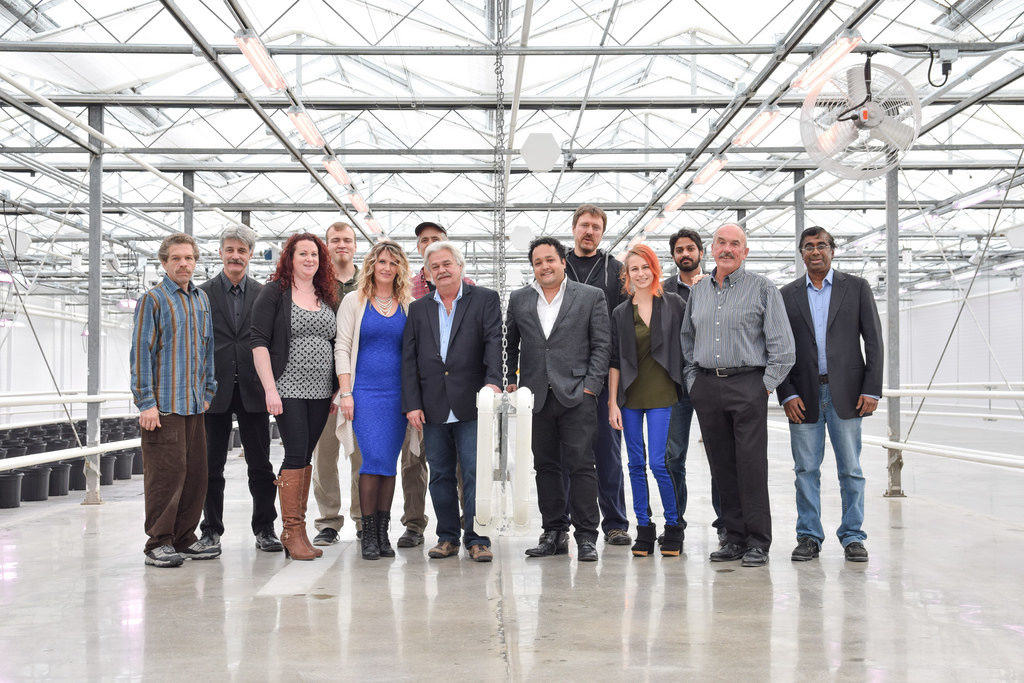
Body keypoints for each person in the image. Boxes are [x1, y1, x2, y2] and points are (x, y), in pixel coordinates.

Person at [681, 223, 795, 568]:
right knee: (721, 466)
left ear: (745, 252)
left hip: (748, 385)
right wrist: (693, 382)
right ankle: (733, 537)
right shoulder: (699, 291)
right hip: (707, 385)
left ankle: (758, 541)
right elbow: (687, 340)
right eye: (721, 243)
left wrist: (763, 387)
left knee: (750, 466)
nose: (727, 249)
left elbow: (783, 347)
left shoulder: (762, 288)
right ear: (712, 249)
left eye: (735, 244)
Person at [777, 226, 882, 563]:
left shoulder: (857, 288)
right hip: (803, 395)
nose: (815, 251)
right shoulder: (787, 295)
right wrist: (786, 393)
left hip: (848, 393)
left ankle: (853, 536)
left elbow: (874, 341)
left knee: (851, 469)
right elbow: (778, 347)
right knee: (805, 470)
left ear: (832, 250)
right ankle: (809, 536)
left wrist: (872, 388)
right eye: (808, 246)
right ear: (801, 254)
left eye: (821, 245)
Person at [506, 237, 610, 563]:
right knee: (545, 466)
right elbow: (509, 344)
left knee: (581, 465)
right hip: (536, 396)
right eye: (538, 262)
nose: (545, 266)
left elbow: (602, 345)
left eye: (550, 260)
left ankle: (587, 536)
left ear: (563, 262)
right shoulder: (520, 299)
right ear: (533, 267)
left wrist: (591, 387)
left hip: (577, 393)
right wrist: (511, 381)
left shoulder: (590, 296)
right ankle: (553, 533)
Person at [402, 241, 502, 562]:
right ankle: (447, 537)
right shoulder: (418, 309)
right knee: (440, 474)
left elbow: (493, 342)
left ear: (460, 266)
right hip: (432, 406)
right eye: (435, 266)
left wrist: (493, 383)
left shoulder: (484, 299)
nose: (442, 270)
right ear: (428, 273)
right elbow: (409, 359)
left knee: (474, 473)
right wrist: (412, 403)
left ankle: (477, 538)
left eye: (447, 264)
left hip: (472, 402)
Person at [130, 232, 217, 568]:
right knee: (166, 475)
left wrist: (208, 392)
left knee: (195, 475)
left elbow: (208, 349)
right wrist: (146, 403)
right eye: (176, 258)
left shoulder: (200, 299)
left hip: (194, 404)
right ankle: (158, 542)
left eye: (189, 258)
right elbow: (141, 353)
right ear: (164, 262)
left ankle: (184, 538)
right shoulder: (152, 300)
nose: (184, 264)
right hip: (164, 406)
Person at [251, 233, 338, 561]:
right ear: (290, 258)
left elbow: (335, 341)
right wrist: (270, 389)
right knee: (296, 453)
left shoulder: (325, 294)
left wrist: (336, 387)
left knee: (305, 457)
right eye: (303, 253)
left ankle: (298, 533)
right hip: (288, 387)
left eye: (314, 254)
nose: (309, 259)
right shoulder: (275, 292)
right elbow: (258, 341)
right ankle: (291, 530)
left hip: (321, 391)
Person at [195, 226, 282, 556]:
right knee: (210, 467)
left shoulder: (263, 294)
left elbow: (273, 342)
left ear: (250, 255)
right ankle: (210, 531)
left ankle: (265, 528)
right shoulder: (202, 294)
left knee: (260, 465)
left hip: (253, 389)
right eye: (229, 250)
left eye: (241, 251)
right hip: (213, 391)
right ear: (220, 253)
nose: (235, 256)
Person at [397, 220, 477, 547]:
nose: (429, 243)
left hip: (463, 398)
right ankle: (424, 528)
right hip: (424, 398)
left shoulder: (471, 291)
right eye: (424, 240)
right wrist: (412, 401)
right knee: (420, 465)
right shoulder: (408, 291)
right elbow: (407, 352)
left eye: (436, 239)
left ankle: (471, 527)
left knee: (466, 467)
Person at [335, 240, 414, 560]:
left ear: (400, 269)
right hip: (364, 394)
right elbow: (342, 347)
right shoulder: (354, 301)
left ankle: (383, 534)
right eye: (382, 261)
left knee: (389, 465)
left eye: (393, 263)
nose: (387, 268)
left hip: (397, 396)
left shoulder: (408, 304)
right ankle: (368, 534)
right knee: (371, 462)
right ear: (371, 265)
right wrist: (346, 392)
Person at [607, 244, 686, 557]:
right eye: (634, 269)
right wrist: (613, 403)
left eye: (645, 267)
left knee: (658, 463)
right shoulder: (620, 313)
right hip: (630, 395)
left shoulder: (674, 304)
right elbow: (615, 361)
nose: (640, 274)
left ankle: (673, 526)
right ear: (627, 275)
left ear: (655, 269)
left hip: (662, 392)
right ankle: (644, 527)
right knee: (635, 464)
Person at [563, 205, 631, 546]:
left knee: (608, 452)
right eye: (584, 225)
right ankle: (561, 525)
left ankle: (615, 523)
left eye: (596, 227)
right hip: (563, 374)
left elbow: (623, 323)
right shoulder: (557, 265)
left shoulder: (615, 271)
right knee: (565, 454)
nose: (589, 231)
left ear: (602, 233)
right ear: (574, 228)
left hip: (603, 375)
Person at [662, 229, 725, 546]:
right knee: (672, 457)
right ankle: (675, 522)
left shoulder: (718, 285)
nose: (685, 254)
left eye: (690, 248)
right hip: (675, 385)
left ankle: (726, 523)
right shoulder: (662, 291)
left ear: (702, 252)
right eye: (679, 250)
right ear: (673, 256)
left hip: (711, 381)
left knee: (719, 456)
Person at [311, 222, 362, 546]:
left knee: (361, 456)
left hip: (359, 383)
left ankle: (362, 519)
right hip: (321, 385)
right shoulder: (316, 284)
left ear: (355, 245)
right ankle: (328, 521)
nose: (341, 245)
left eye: (347, 240)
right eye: (335, 240)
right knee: (324, 456)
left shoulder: (368, 281)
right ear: (326, 245)